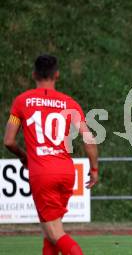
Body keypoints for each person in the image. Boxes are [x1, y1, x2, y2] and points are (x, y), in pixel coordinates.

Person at [3, 55, 99, 254]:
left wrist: (24, 157)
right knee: (50, 231)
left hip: (43, 173)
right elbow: (89, 140)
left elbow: (9, 141)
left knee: (55, 233)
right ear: (57, 75)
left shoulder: (21, 102)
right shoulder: (69, 103)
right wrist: (94, 169)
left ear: (33, 74)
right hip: (66, 172)